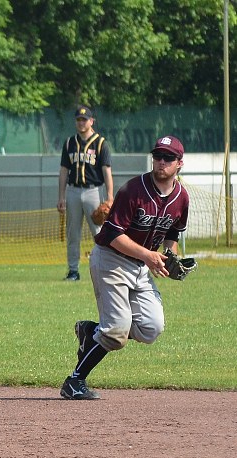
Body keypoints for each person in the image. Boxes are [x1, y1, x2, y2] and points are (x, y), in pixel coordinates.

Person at [60, 135, 189, 400]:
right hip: (111, 260)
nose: (161, 162)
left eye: (168, 158)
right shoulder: (133, 190)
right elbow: (111, 235)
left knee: (151, 328)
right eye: (157, 156)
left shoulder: (181, 198)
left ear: (179, 163)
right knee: (117, 333)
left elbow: (172, 234)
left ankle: (91, 331)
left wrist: (171, 258)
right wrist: (148, 255)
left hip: (140, 266)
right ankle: (74, 381)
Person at [58, 105, 114, 281]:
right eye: (78, 119)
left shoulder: (100, 143)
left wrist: (110, 196)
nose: (81, 122)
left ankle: (106, 267)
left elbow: (107, 171)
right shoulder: (69, 143)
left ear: (92, 121)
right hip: (73, 190)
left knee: (99, 232)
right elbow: (63, 171)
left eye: (84, 119)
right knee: (72, 234)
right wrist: (61, 196)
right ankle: (73, 270)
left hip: (93, 191)